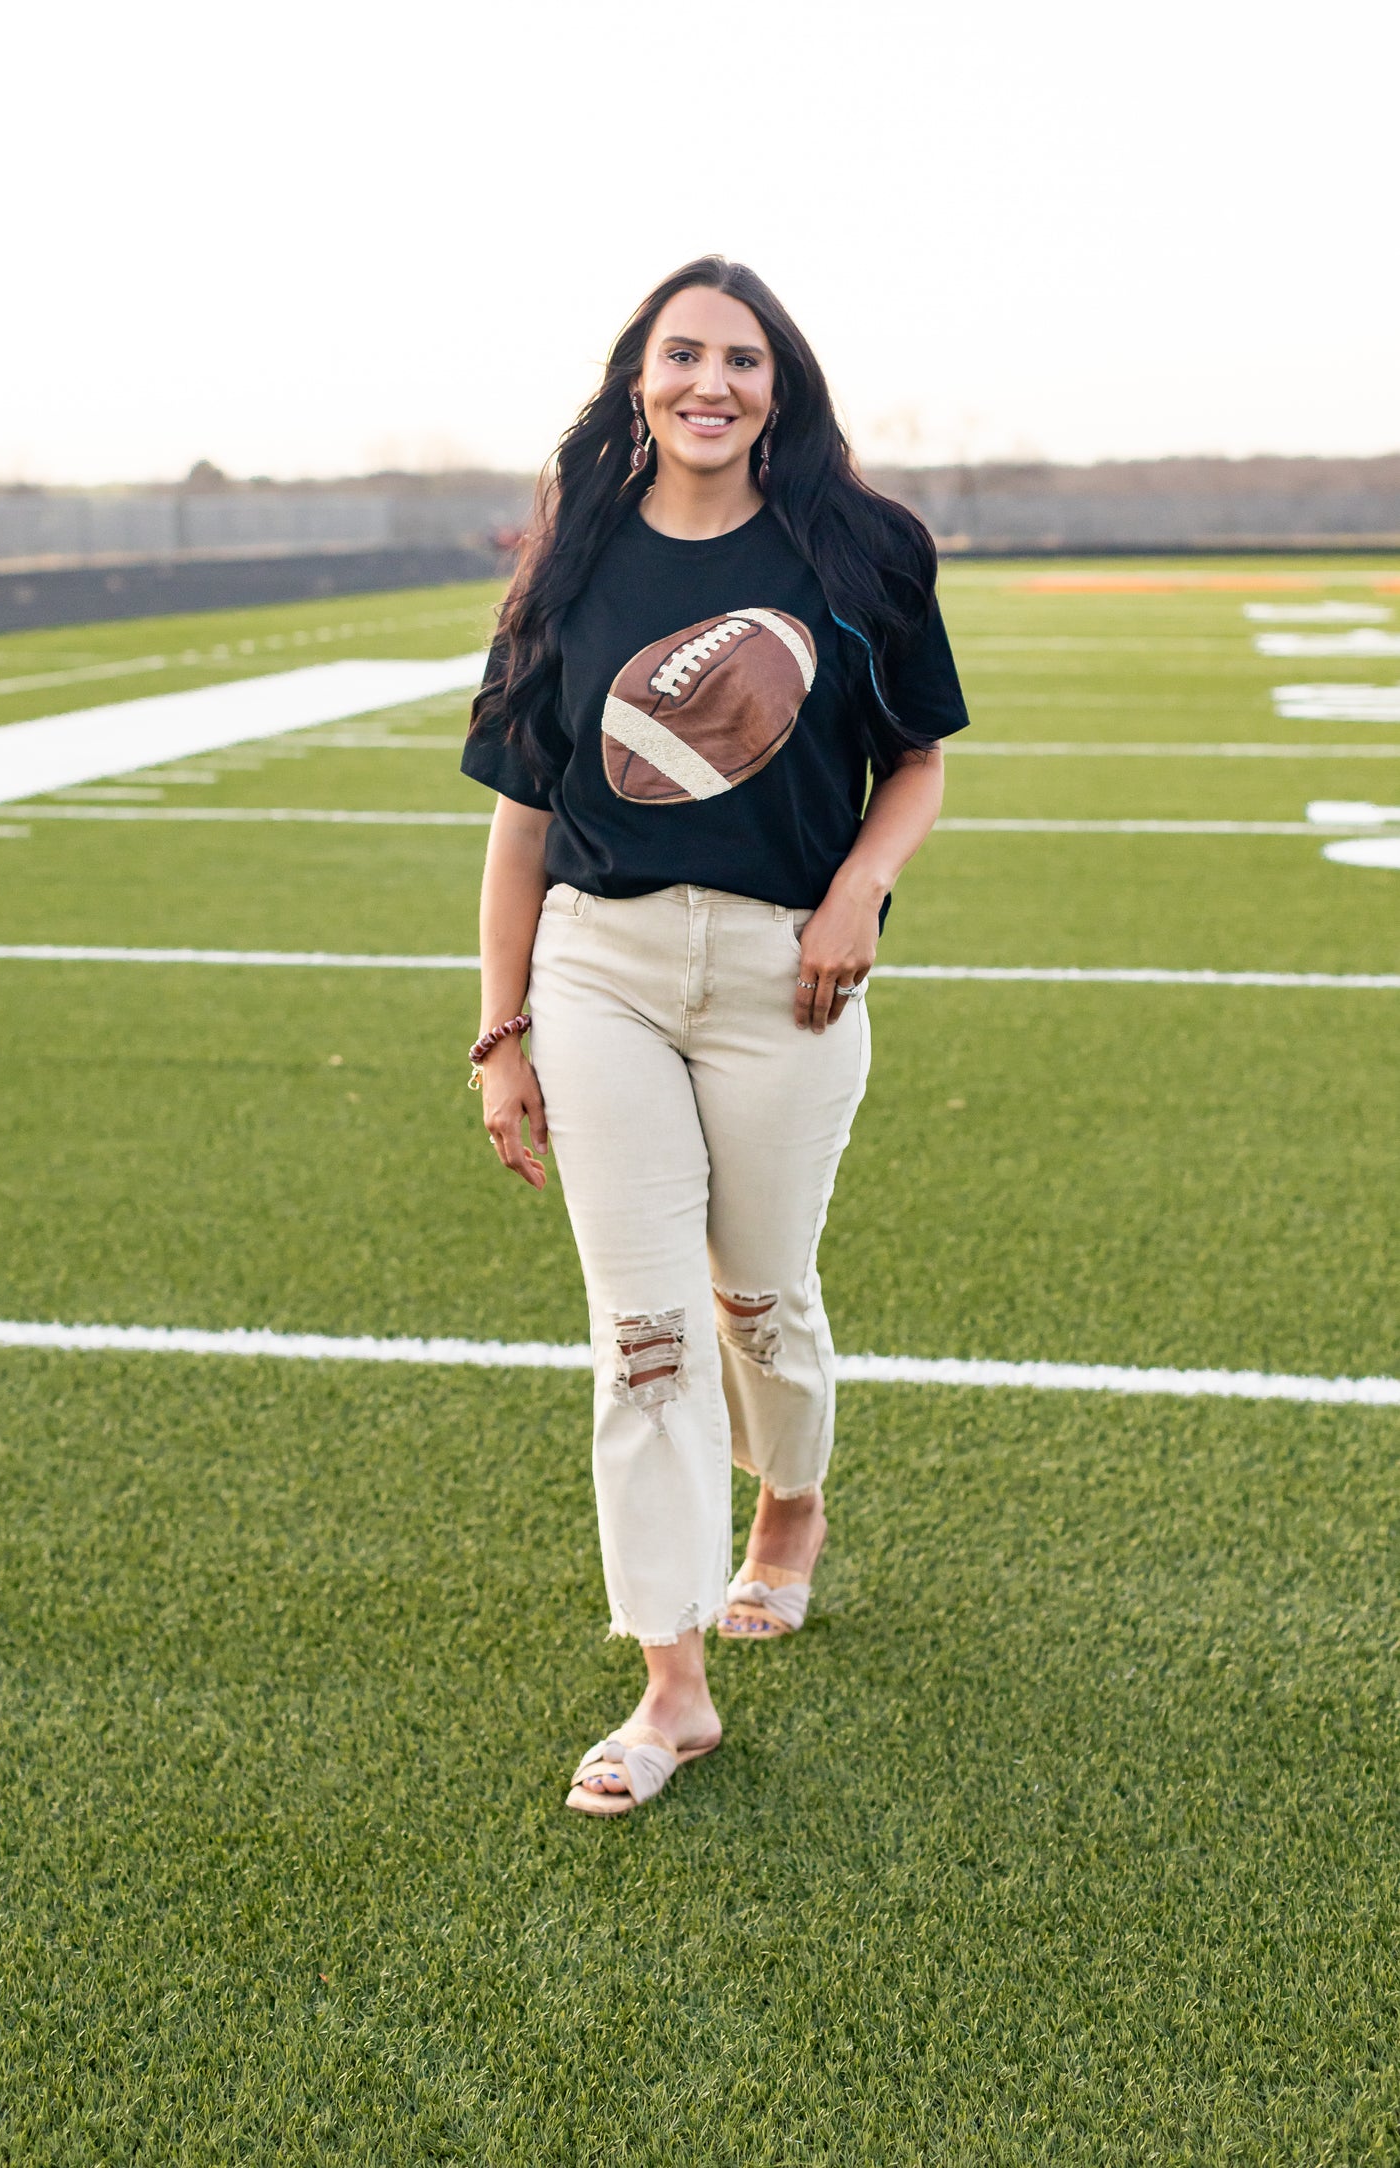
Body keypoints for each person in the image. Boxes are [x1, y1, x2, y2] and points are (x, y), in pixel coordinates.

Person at [461, 255, 969, 1816]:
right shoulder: (569, 563)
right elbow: (519, 824)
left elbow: (918, 763)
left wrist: (856, 897)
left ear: (778, 386)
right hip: (601, 965)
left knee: (758, 1296)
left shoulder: (861, 549)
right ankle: (671, 1687)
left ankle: (791, 1511)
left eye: (741, 359)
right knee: (646, 1335)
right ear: (637, 379)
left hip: (784, 979)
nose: (710, 382)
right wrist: (501, 1033)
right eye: (681, 354)